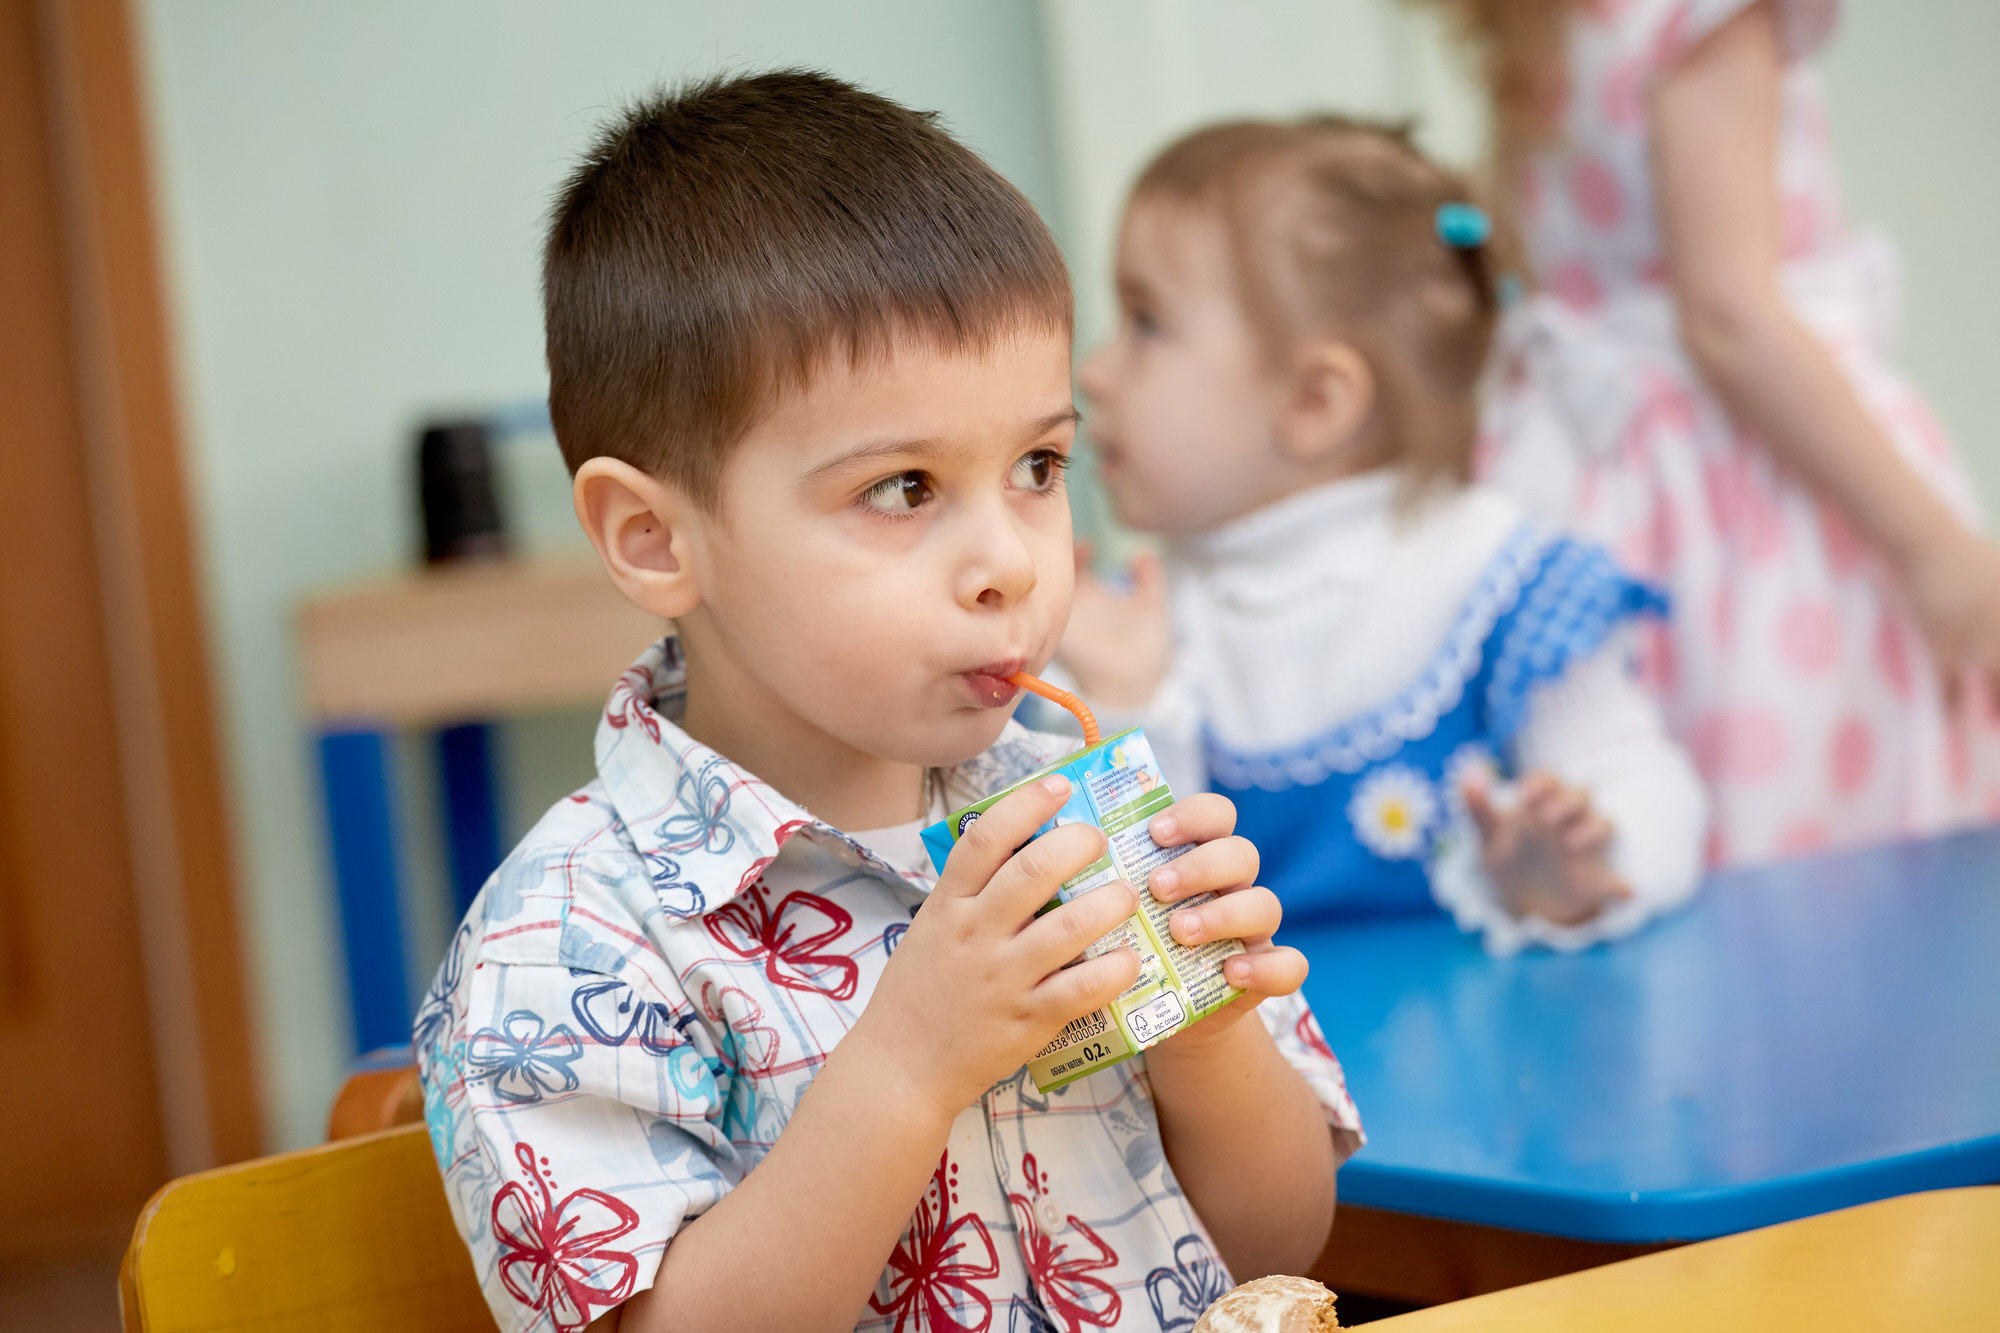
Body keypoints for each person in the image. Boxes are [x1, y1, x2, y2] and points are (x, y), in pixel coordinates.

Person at [415, 71, 1361, 1333]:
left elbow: (1275, 1246)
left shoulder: (1072, 811)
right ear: (653, 538)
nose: (1012, 562)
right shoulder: (568, 944)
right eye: (904, 488)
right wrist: (911, 1062)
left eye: (1037, 467)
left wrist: (1206, 1039)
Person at [1060, 117, 1707, 953]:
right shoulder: (1135, 622)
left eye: (1145, 322)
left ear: (1313, 402)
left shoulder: (1497, 582)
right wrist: (1127, 708)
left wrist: (1587, 865)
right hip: (1266, 1079)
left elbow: (1655, 788)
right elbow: (1142, 927)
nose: (1094, 371)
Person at [1418, 0, 2000, 864]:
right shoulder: (1699, 16)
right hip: (1751, 496)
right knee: (1821, 825)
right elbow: (1730, 318)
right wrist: (1934, 550)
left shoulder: (1541, 22)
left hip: (1612, 484)